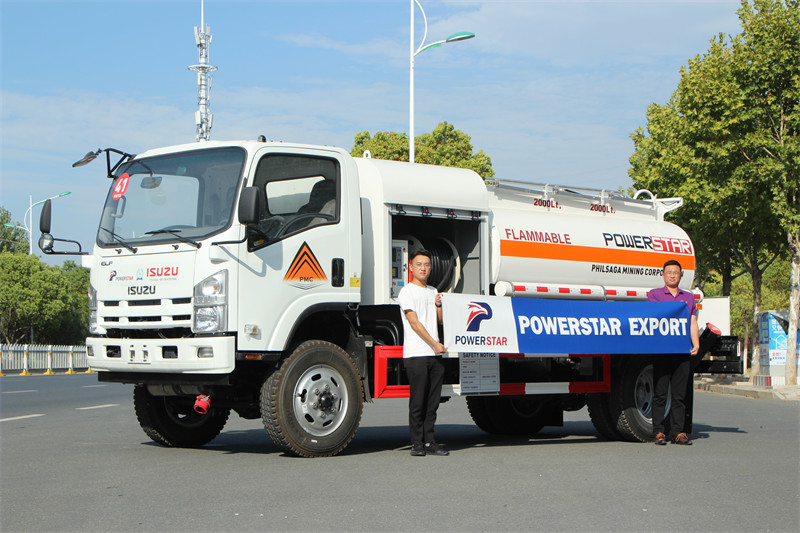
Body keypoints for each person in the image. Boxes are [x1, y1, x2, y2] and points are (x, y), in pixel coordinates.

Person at [398, 249, 449, 457]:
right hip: (416, 354)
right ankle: (416, 443)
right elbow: (414, 323)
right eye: (419, 264)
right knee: (418, 401)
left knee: (432, 402)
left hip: (434, 355)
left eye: (427, 265)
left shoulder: (432, 290)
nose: (423, 268)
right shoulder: (406, 292)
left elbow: (439, 321)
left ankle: (430, 441)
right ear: (411, 267)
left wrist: (438, 305)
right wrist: (434, 343)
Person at [648, 259, 700, 446]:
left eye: (676, 272)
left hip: (681, 351)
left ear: (681, 275)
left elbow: (692, 322)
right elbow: (653, 319)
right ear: (663, 275)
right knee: (660, 393)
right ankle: (659, 432)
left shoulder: (688, 297)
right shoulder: (654, 295)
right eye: (669, 272)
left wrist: (696, 343)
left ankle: (678, 432)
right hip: (662, 351)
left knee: (679, 394)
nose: (672, 275)